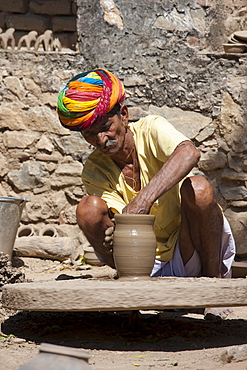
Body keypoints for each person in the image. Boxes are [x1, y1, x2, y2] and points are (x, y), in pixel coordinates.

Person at [57, 68, 236, 319]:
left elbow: (189, 153)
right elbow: (114, 222)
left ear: (124, 115)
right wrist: (111, 231)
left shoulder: (152, 129)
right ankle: (130, 288)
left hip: (188, 248)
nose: (101, 139)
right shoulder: (94, 169)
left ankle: (213, 288)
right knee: (87, 209)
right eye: (89, 133)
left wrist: (143, 200)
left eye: (106, 126)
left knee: (199, 188)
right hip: (144, 262)